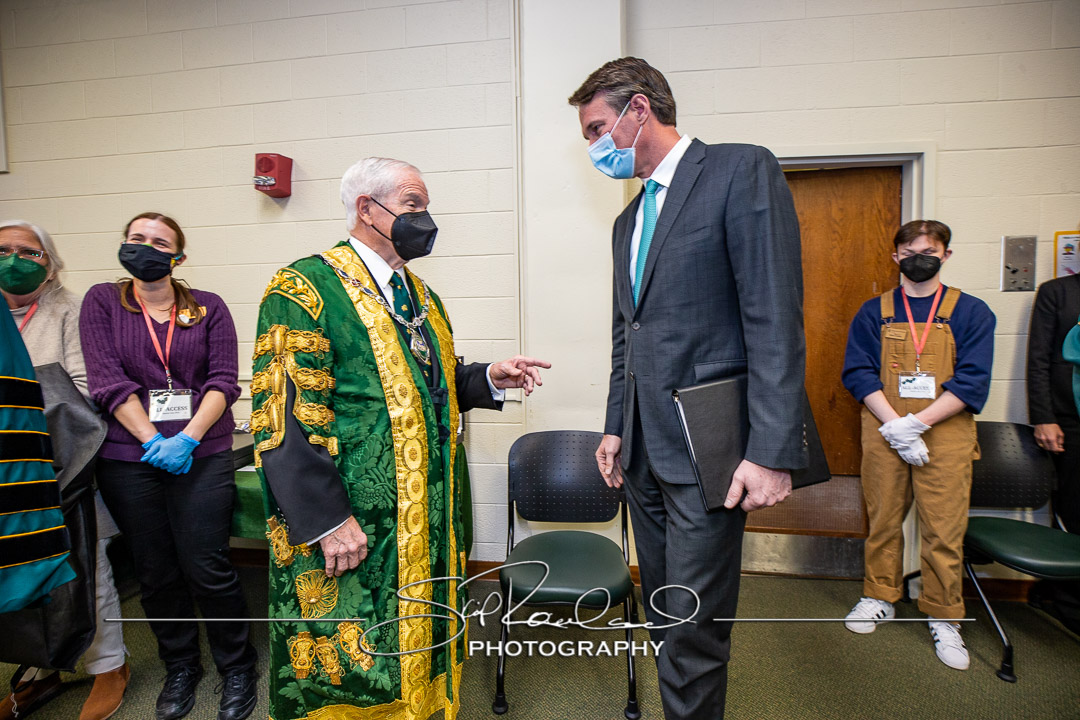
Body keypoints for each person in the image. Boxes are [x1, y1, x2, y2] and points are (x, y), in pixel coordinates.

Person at [252, 157, 549, 720]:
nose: (425, 218)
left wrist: (486, 378)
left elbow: (425, 385)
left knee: (419, 646)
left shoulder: (422, 297)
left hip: (425, 517)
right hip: (354, 519)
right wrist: (326, 521)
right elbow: (282, 416)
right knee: (358, 664)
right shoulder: (305, 288)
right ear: (367, 209)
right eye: (413, 205)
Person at [568, 58, 807, 720]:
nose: (593, 147)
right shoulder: (627, 221)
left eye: (596, 129)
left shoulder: (738, 170)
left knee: (696, 624)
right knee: (665, 612)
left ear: (639, 109)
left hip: (710, 446)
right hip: (643, 451)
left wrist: (771, 449)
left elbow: (774, 316)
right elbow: (628, 336)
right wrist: (615, 426)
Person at [79, 213, 257, 720]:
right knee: (155, 571)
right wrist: (153, 440)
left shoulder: (208, 307)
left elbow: (223, 381)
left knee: (208, 566)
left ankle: (237, 667)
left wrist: (187, 439)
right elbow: (107, 381)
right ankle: (181, 666)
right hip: (128, 457)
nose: (146, 247)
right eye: (136, 238)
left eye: (160, 242)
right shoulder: (102, 302)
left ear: (178, 257)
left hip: (201, 451)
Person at [842, 219, 995, 670]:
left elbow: (972, 380)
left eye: (928, 252)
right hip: (884, 427)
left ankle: (944, 614)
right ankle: (879, 596)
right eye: (909, 253)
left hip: (945, 431)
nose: (918, 260)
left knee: (943, 530)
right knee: (883, 519)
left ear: (946, 255)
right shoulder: (875, 311)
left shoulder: (972, 312)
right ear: (896, 257)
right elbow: (858, 373)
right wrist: (895, 426)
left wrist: (917, 424)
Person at [0, 220, 128, 720]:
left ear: (50, 265)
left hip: (62, 462)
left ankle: (110, 666)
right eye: (3, 249)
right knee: (19, 571)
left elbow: (86, 389)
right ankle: (40, 670)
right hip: (6, 471)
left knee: (85, 569)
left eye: (28, 252)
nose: (14, 259)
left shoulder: (71, 311)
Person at [1025, 272, 1080, 633]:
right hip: (1069, 421)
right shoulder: (1058, 292)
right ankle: (1068, 603)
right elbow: (1039, 359)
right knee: (1073, 511)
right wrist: (1044, 417)